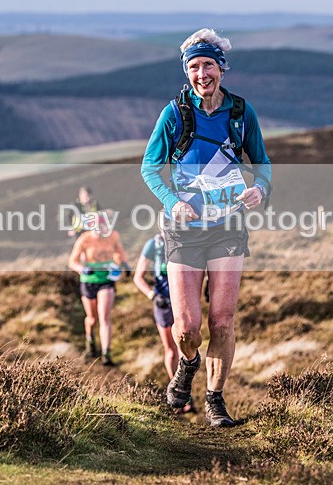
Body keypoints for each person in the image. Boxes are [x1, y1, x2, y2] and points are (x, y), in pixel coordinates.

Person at [140, 28, 272, 427]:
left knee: (222, 321)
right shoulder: (175, 114)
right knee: (187, 327)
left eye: (209, 65)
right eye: (194, 66)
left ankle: (215, 402)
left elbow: (261, 164)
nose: (202, 74)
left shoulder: (240, 113)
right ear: (187, 70)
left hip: (228, 227)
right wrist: (172, 202)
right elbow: (150, 166)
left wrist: (260, 190)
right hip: (183, 231)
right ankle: (188, 364)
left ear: (221, 69)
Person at [133, 231, 196, 414]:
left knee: (185, 348)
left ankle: (185, 392)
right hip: (163, 304)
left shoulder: (185, 240)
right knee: (171, 350)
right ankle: (180, 393)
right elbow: (138, 276)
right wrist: (152, 296)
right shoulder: (153, 245)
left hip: (183, 303)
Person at [67, 211, 129, 366]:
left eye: (103, 225)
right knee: (92, 318)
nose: (101, 228)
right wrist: (82, 269)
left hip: (106, 280)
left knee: (105, 316)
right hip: (89, 281)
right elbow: (72, 261)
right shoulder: (84, 239)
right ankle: (90, 342)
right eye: (97, 225)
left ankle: (106, 354)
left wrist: (124, 264)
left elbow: (119, 252)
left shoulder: (113, 236)